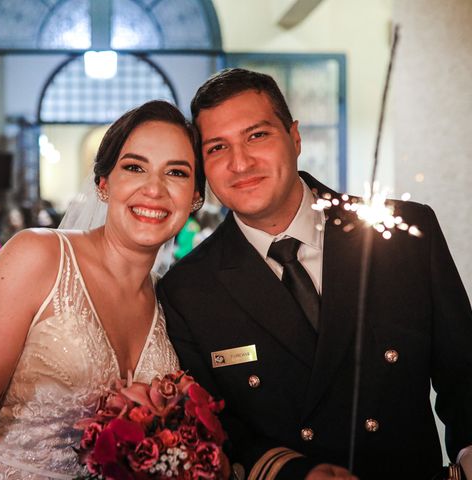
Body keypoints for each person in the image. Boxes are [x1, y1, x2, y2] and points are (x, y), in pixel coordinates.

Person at [157, 68, 472, 480]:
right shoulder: (188, 289)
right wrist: (294, 473)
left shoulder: (403, 233)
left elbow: (464, 374)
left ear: (295, 137)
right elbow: (219, 428)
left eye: (257, 135)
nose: (240, 162)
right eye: (217, 148)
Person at [0, 100, 205, 478]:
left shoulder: (169, 302)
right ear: (104, 183)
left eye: (176, 172)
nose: (154, 188)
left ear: (196, 196)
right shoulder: (38, 257)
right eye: (134, 167)